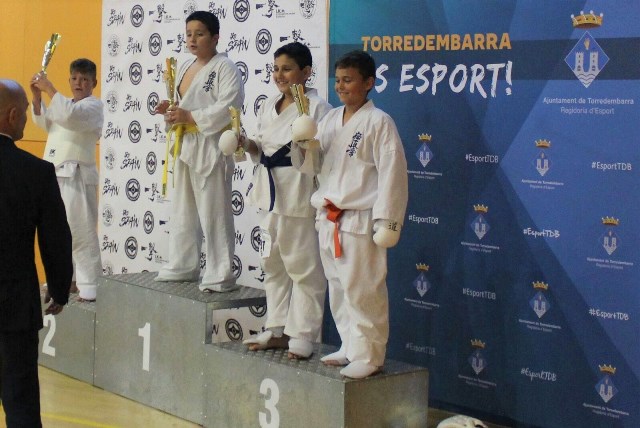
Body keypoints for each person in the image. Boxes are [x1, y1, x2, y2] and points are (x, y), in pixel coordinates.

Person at [297, 50, 408, 378]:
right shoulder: (330, 119)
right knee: (338, 286)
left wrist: (387, 221)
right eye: (338, 80)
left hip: (359, 217)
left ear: (369, 83)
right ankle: (350, 344)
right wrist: (305, 145)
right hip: (329, 215)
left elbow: (393, 173)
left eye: (348, 80)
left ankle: (371, 355)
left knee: (363, 288)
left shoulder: (379, 122)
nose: (341, 86)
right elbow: (315, 169)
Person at [240, 42, 331, 359]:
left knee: (304, 268)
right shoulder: (269, 105)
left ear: (306, 72)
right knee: (272, 263)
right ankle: (276, 327)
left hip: (297, 196)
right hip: (269, 195)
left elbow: (321, 158)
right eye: (276, 68)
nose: (279, 75)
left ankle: (303, 334)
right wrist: (244, 143)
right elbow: (260, 149)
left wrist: (309, 145)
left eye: (287, 68)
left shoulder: (318, 108)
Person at [0, 79, 73, 427]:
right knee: (21, 402)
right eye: (26, 113)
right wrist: (58, 289)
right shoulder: (37, 172)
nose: (27, 121)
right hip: (14, 309)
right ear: (12, 116)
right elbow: (56, 239)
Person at [154, 11, 244, 292]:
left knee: (213, 210)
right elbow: (183, 104)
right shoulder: (184, 67)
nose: (192, 39)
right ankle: (183, 264)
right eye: (189, 34)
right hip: (186, 145)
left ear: (215, 37)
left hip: (211, 145)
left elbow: (230, 106)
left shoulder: (225, 67)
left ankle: (221, 273)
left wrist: (190, 117)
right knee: (183, 209)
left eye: (200, 34)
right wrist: (170, 111)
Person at [30, 59, 103, 302]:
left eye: (84, 79)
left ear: (94, 82)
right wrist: (38, 97)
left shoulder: (93, 106)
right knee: (57, 233)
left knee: (80, 232)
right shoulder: (65, 104)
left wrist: (49, 88)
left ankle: (90, 286)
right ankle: (64, 281)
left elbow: (70, 117)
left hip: (78, 175)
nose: (78, 83)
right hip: (55, 174)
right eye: (74, 78)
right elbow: (45, 122)